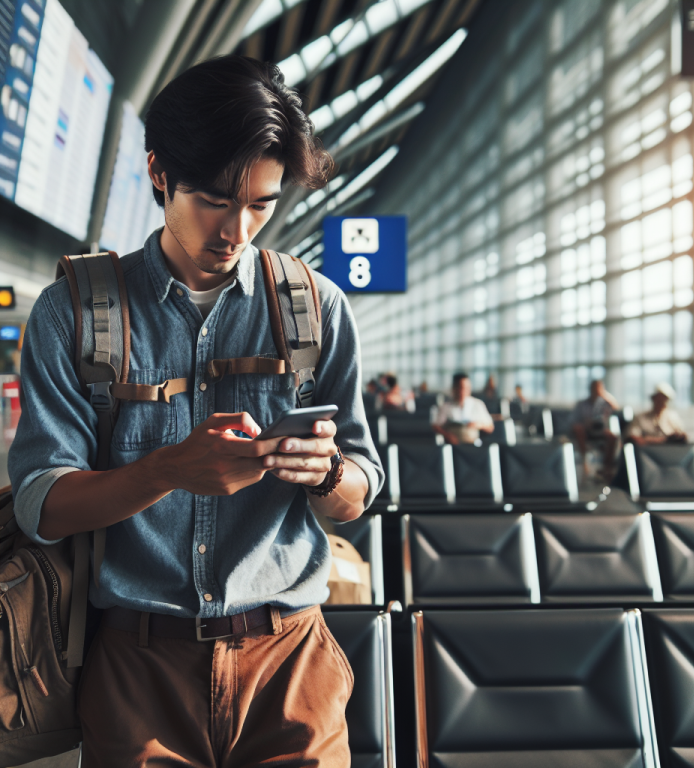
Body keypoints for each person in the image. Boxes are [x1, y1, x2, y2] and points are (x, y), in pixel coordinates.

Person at [8, 56, 384, 767]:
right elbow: (39, 505)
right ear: (158, 174)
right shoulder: (77, 313)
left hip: (290, 665)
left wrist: (327, 473)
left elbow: (361, 488)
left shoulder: (316, 308)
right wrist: (167, 471)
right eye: (215, 199)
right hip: (136, 670)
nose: (238, 229)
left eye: (262, 204)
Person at [571, 379, 620, 478]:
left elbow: (616, 408)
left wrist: (605, 395)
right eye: (594, 388)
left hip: (601, 432)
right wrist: (586, 424)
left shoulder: (606, 403)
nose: (596, 391)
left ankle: (607, 467)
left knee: (612, 437)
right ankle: (584, 459)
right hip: (586, 431)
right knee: (578, 429)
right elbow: (573, 422)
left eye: (599, 388)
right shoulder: (581, 404)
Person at [434, 372, 494, 444]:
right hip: (452, 444)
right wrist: (448, 435)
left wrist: (478, 425)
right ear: (454, 388)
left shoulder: (478, 404)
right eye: (461, 387)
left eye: (467, 387)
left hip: (473, 443)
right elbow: (436, 426)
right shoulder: (445, 407)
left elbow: (490, 427)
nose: (464, 390)